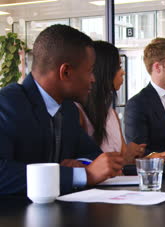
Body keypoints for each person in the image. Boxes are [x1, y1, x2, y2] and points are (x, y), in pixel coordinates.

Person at [0, 25, 124, 195]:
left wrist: (81, 163)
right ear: (65, 72)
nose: (93, 79)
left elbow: (93, 154)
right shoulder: (7, 105)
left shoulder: (67, 109)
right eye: (89, 71)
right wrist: (80, 175)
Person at [74, 40, 164, 164]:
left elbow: (123, 161)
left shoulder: (111, 114)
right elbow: (87, 165)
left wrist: (150, 160)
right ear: (104, 70)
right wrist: (126, 157)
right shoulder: (77, 112)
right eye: (118, 67)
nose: (123, 72)